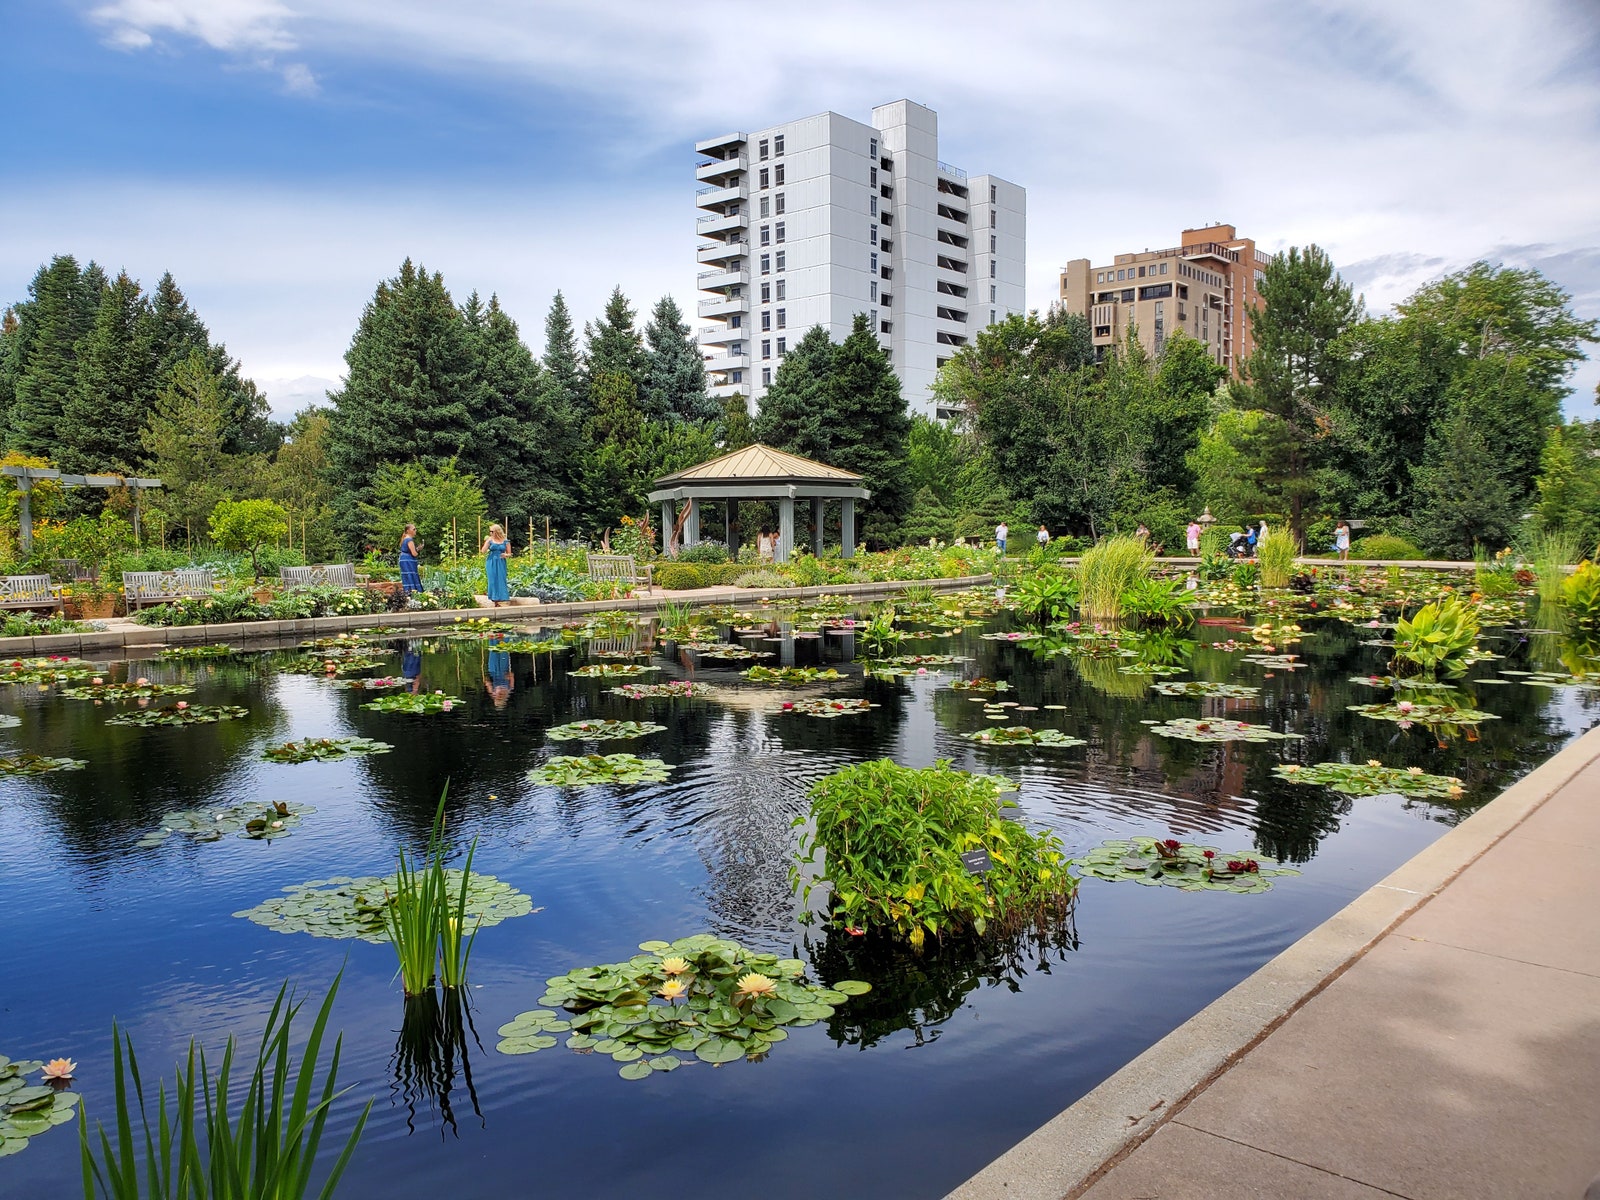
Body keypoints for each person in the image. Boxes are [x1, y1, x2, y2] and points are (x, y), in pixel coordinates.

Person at [481, 523, 511, 606]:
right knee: (492, 579)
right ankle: (494, 599)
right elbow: (483, 551)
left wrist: (505, 555)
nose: (490, 533)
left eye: (492, 531)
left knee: (501, 578)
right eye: (490, 531)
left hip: (501, 561)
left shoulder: (505, 541)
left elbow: (509, 553)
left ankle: (502, 597)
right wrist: (487, 542)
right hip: (491, 561)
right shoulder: (490, 540)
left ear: (497, 532)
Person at [398, 524, 423, 595]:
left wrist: (417, 549)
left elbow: (408, 550)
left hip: (403, 559)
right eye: (414, 529)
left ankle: (407, 592)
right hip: (408, 560)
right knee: (411, 575)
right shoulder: (409, 540)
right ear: (408, 531)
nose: (415, 531)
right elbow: (414, 553)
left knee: (407, 576)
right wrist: (417, 551)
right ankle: (414, 593)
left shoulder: (405, 538)